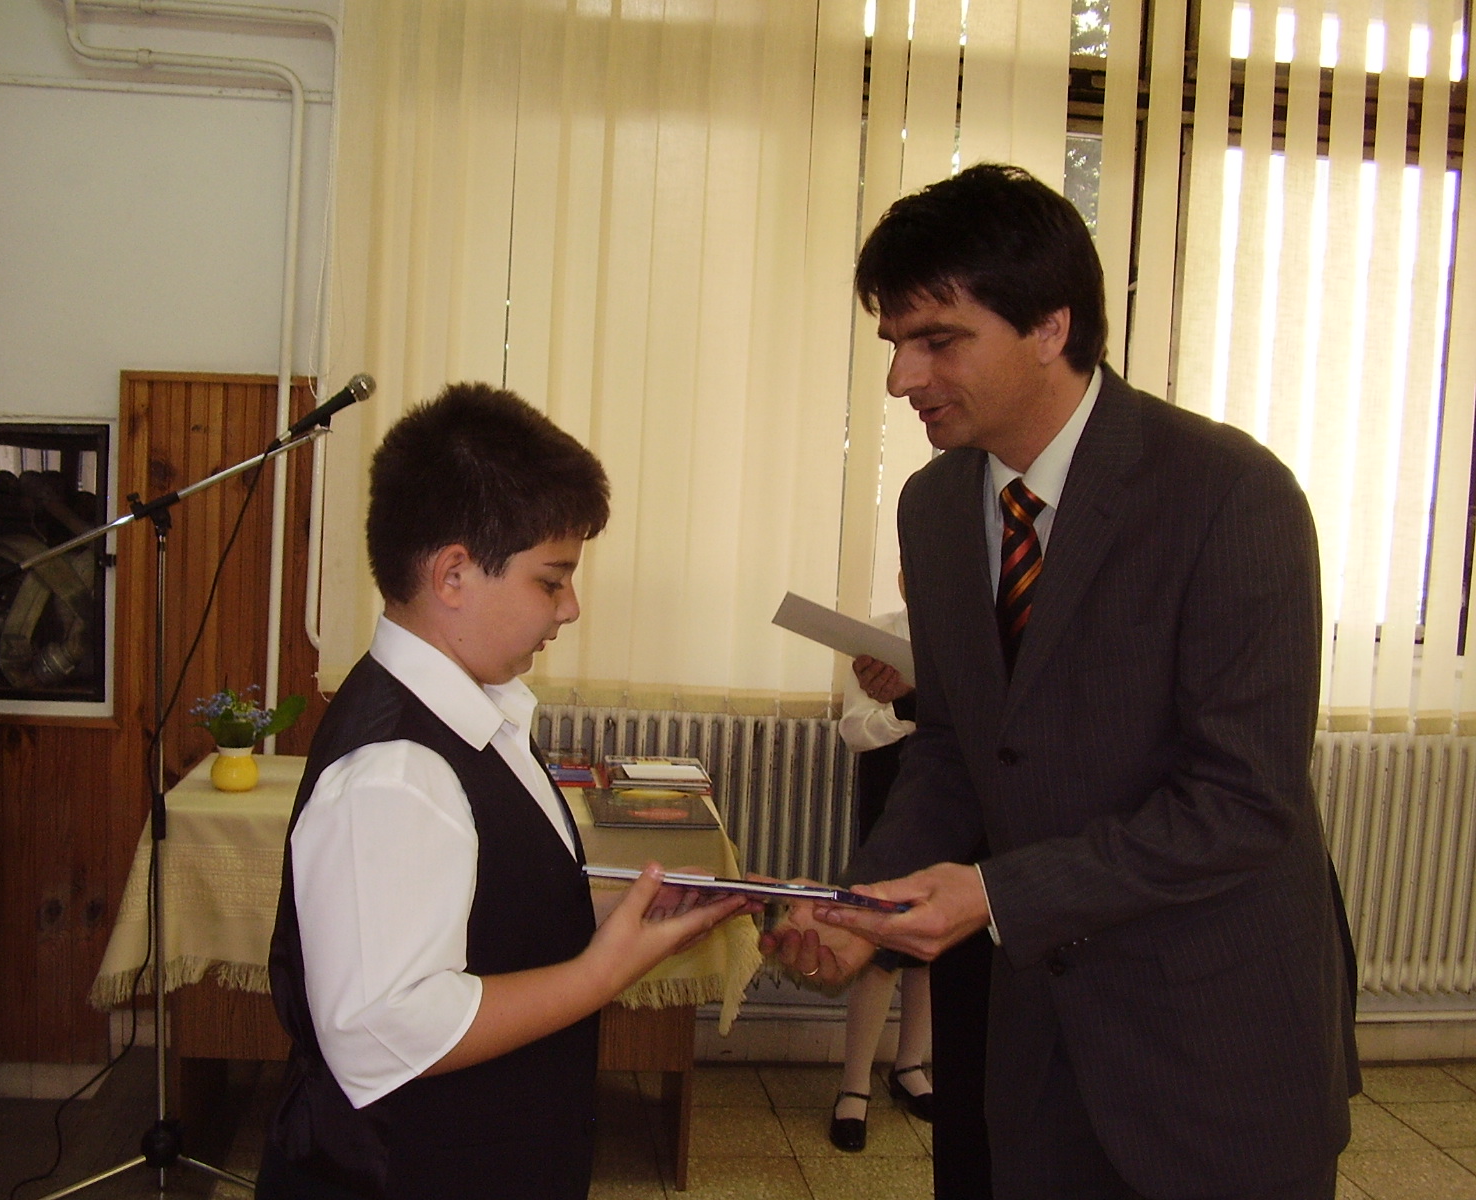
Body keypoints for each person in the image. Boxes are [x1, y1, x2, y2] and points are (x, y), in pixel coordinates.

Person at [763, 164, 1358, 1200]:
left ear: (1050, 326)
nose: (901, 378)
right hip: (1036, 1038)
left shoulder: (1229, 494)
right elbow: (956, 747)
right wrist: (863, 905)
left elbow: (1240, 800)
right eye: (894, 343)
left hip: (1213, 1039)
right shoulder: (935, 509)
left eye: (937, 340)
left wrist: (995, 892)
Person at [256, 382, 750, 1200]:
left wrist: (619, 916)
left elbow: (480, 913)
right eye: (551, 581)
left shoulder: (478, 713)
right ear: (454, 573)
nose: (571, 607)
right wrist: (598, 975)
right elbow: (381, 1033)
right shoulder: (397, 771)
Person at [828, 597, 937, 1153]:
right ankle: (854, 1088)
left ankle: (910, 1066)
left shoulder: (968, 629)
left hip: (951, 802)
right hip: (891, 801)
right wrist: (907, 708)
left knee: (931, 944)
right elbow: (856, 732)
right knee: (877, 943)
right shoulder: (876, 636)